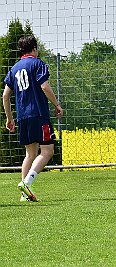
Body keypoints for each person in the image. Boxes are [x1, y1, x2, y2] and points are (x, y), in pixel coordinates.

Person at [3, 35, 63, 202]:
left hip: (23, 117)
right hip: (39, 114)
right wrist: (57, 104)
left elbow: (5, 96)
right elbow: (44, 86)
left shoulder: (14, 69)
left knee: (30, 154)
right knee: (47, 151)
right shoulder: (38, 64)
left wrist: (10, 118)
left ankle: (24, 195)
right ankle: (26, 183)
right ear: (34, 49)